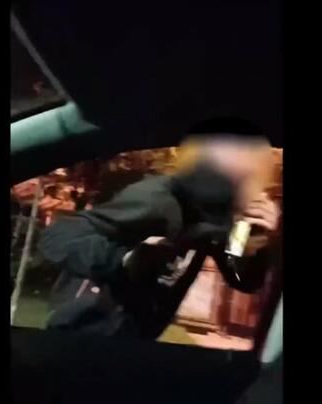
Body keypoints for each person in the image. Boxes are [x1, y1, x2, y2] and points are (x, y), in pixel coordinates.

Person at [39, 119, 281, 339]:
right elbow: (58, 236)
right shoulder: (156, 198)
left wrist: (257, 236)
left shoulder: (219, 217)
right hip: (82, 334)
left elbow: (243, 280)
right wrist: (124, 260)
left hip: (135, 341)